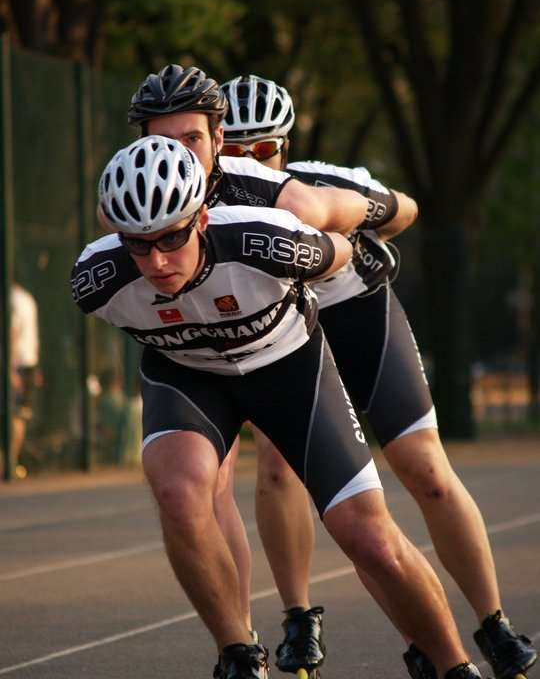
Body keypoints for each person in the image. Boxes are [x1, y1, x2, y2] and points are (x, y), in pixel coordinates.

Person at [75, 134, 484, 679]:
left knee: (369, 538)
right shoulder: (96, 282)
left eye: (171, 238)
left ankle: (453, 665)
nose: (156, 261)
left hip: (288, 367)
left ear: (199, 219)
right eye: (138, 244)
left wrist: (354, 244)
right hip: (189, 375)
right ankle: (239, 654)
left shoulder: (266, 242)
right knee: (176, 486)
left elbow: (335, 248)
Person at [218, 74, 538, 679]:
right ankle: (299, 616)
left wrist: (375, 221)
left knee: (426, 469)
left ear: (285, 148)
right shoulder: (202, 212)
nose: (248, 162)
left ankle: (493, 622)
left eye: (263, 150)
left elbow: (407, 209)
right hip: (285, 331)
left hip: (356, 312)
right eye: (234, 150)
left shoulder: (317, 182)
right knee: (280, 466)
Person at [1, 282, 42, 478]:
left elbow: (13, 333)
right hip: (27, 363)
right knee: (19, 415)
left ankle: (8, 462)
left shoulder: (13, 299)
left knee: (16, 415)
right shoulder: (27, 297)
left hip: (19, 364)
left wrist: (11, 369)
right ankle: (10, 461)